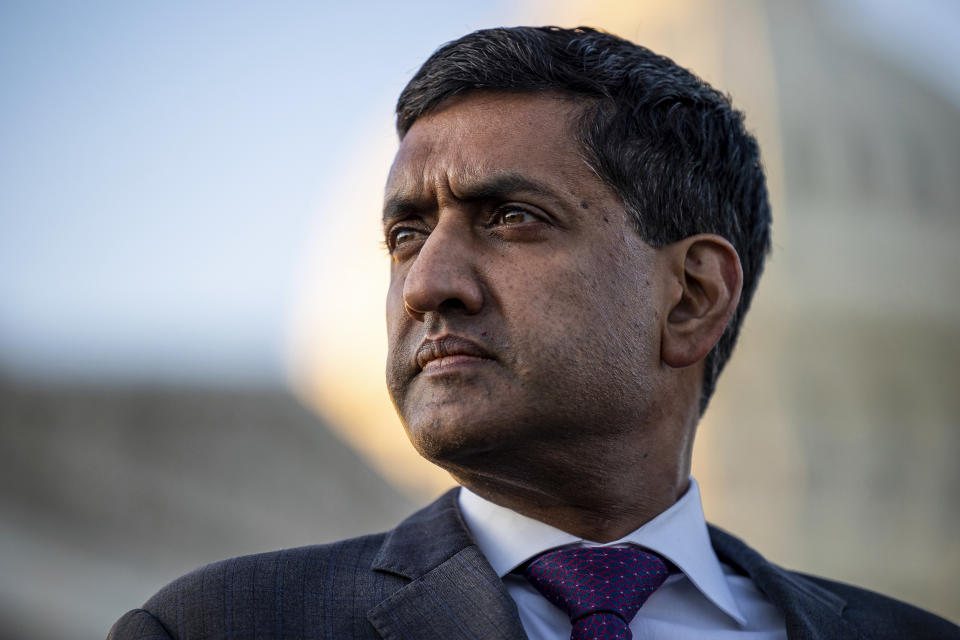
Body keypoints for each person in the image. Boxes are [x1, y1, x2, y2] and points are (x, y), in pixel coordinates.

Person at [109, 26, 958, 640]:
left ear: (694, 296)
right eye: (406, 235)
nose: (428, 286)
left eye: (512, 218)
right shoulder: (222, 626)